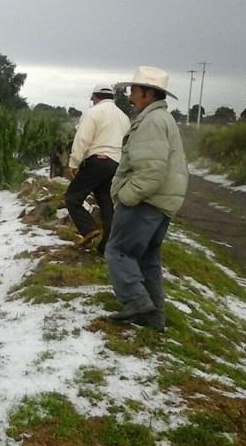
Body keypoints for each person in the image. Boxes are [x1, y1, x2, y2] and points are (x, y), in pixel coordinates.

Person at [105, 66, 189, 332]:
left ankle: (136, 302)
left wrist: (125, 196)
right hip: (162, 204)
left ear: (148, 93)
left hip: (146, 203)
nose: (130, 97)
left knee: (117, 251)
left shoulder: (152, 122)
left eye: (134, 91)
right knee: (147, 261)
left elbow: (151, 170)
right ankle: (154, 319)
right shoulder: (162, 119)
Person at [65, 84, 131, 253]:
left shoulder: (93, 113)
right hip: (116, 163)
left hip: (98, 160)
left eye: (92, 99)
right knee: (106, 204)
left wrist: (73, 163)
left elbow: (82, 139)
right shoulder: (123, 117)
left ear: (95, 97)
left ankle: (88, 229)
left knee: (73, 198)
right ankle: (106, 246)